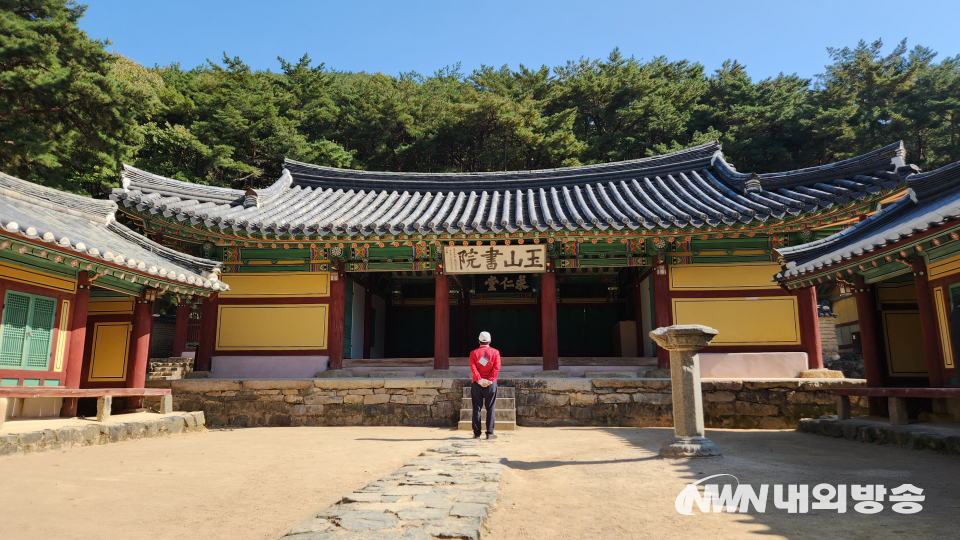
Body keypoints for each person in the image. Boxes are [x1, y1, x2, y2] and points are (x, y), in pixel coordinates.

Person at [470, 331, 501, 439]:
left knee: (476, 408)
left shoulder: (473, 353)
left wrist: (479, 380)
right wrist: (489, 380)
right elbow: (496, 368)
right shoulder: (495, 352)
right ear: (490, 341)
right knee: (490, 408)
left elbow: (473, 368)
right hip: (491, 384)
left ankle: (477, 433)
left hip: (477, 384)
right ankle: (490, 433)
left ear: (478, 340)